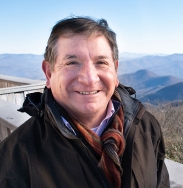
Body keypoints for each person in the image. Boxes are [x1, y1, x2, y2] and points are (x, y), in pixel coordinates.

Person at [0, 16, 170, 188]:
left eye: (101, 62)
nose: (89, 79)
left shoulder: (146, 127)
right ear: (49, 74)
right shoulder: (15, 156)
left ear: (115, 71)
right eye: (72, 62)